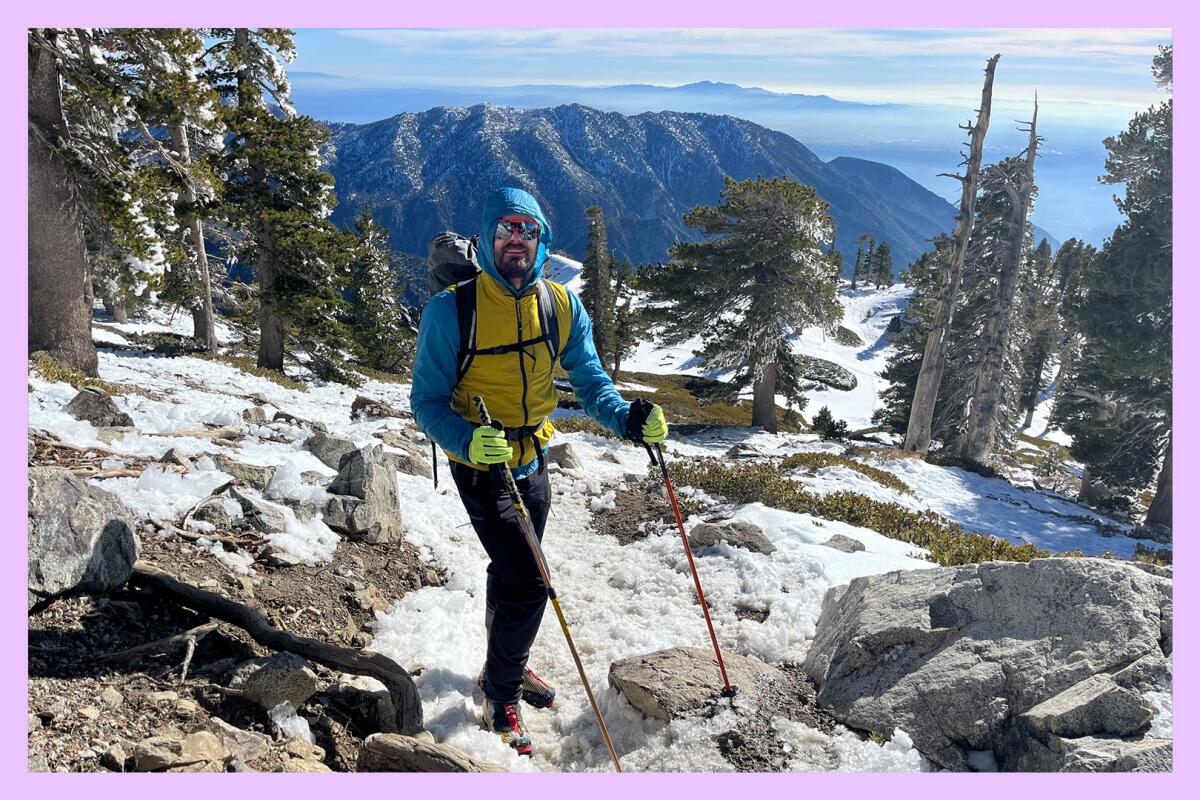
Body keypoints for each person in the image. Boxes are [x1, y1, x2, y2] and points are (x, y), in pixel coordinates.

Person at [411, 187, 668, 756]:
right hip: (480, 464)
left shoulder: (560, 305)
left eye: (527, 230)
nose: (516, 241)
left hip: (533, 459)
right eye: (504, 230)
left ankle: (503, 665)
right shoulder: (452, 310)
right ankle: (500, 693)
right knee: (531, 582)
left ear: (542, 239)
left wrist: (627, 418)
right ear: (486, 239)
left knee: (513, 574)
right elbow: (426, 401)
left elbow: (591, 378)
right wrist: (468, 442)